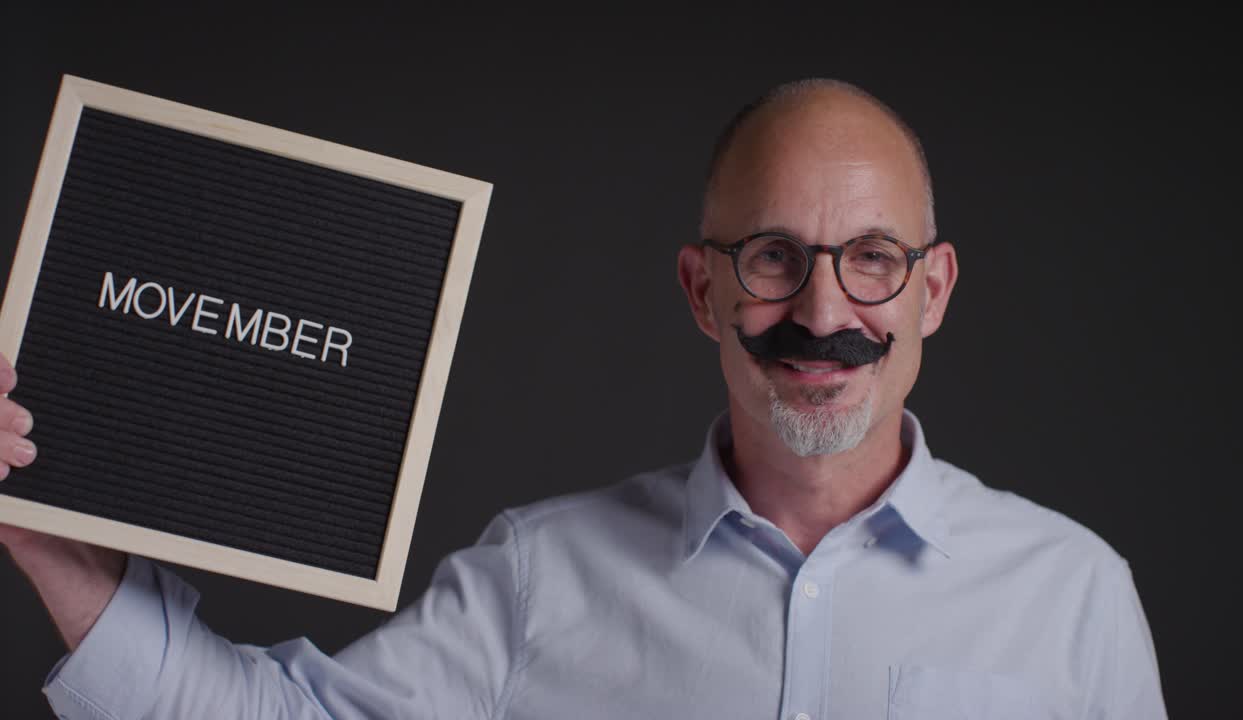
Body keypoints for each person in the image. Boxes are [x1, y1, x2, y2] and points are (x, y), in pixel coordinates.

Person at [0, 78, 1167, 719]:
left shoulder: (1074, 597)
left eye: (871, 258)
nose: (822, 312)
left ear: (932, 290)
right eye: (771, 256)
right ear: (700, 289)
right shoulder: (537, 578)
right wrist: (63, 558)